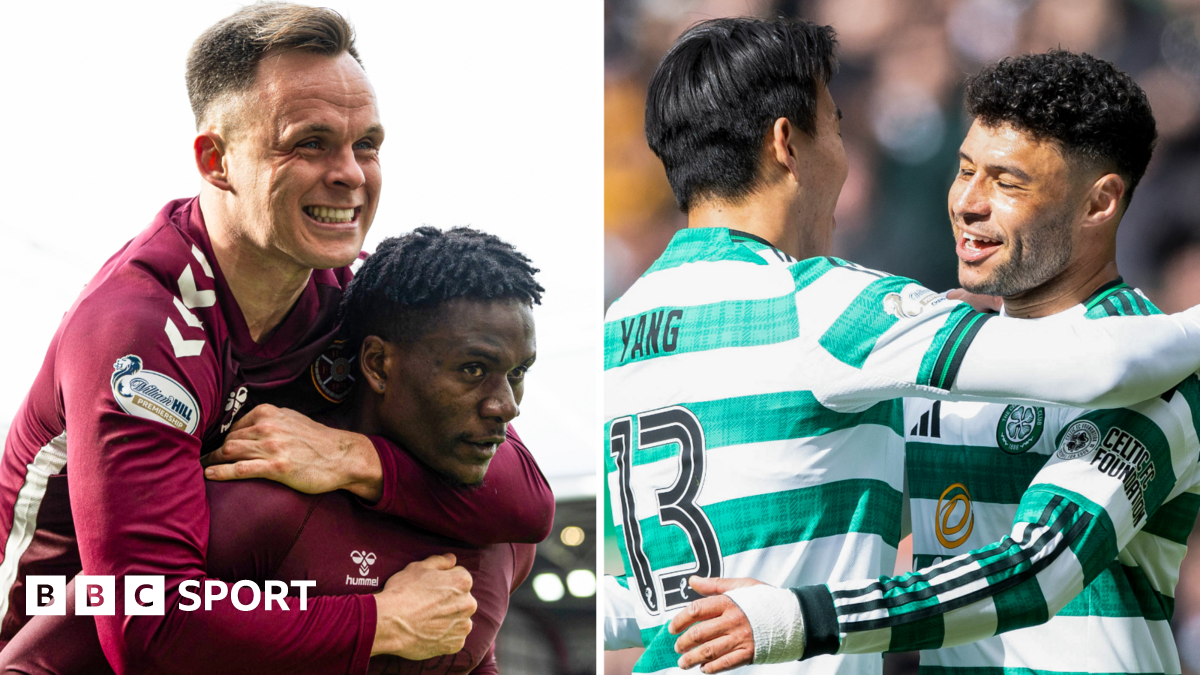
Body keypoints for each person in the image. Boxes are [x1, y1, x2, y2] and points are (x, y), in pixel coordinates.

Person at [601, 17, 1200, 675]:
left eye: (1005, 181)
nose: (967, 203)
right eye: (964, 169)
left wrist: (801, 617)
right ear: (785, 143)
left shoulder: (1156, 370)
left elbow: (1037, 569)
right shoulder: (864, 328)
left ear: (1098, 204)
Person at [0, 5, 552, 673]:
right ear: (217, 160)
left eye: (367, 145)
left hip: (230, 617)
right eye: (310, 142)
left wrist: (353, 457)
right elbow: (149, 627)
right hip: (56, 649)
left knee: (485, 544)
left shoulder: (353, 298)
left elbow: (525, 499)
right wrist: (380, 619)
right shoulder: (142, 332)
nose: (350, 173)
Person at [1, 226, 547, 675]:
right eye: (473, 371)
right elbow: (65, 646)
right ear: (377, 365)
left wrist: (355, 458)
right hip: (30, 588)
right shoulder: (258, 507)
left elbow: (529, 523)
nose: (506, 406)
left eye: (518, 375)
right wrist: (378, 622)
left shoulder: (501, 540)